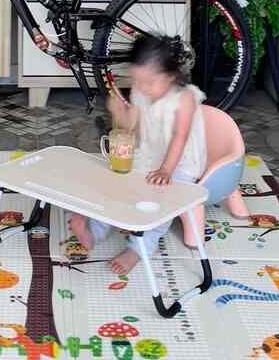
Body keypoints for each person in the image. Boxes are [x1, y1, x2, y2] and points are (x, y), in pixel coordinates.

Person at [70, 35, 207, 275]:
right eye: (136, 80)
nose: (141, 87)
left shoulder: (184, 98)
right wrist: (118, 111)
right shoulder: (141, 91)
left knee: (159, 201)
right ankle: (94, 231)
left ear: (170, 76)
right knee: (116, 185)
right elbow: (131, 126)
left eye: (148, 82)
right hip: (150, 155)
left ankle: (139, 248)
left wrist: (166, 170)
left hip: (180, 163)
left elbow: (180, 137)